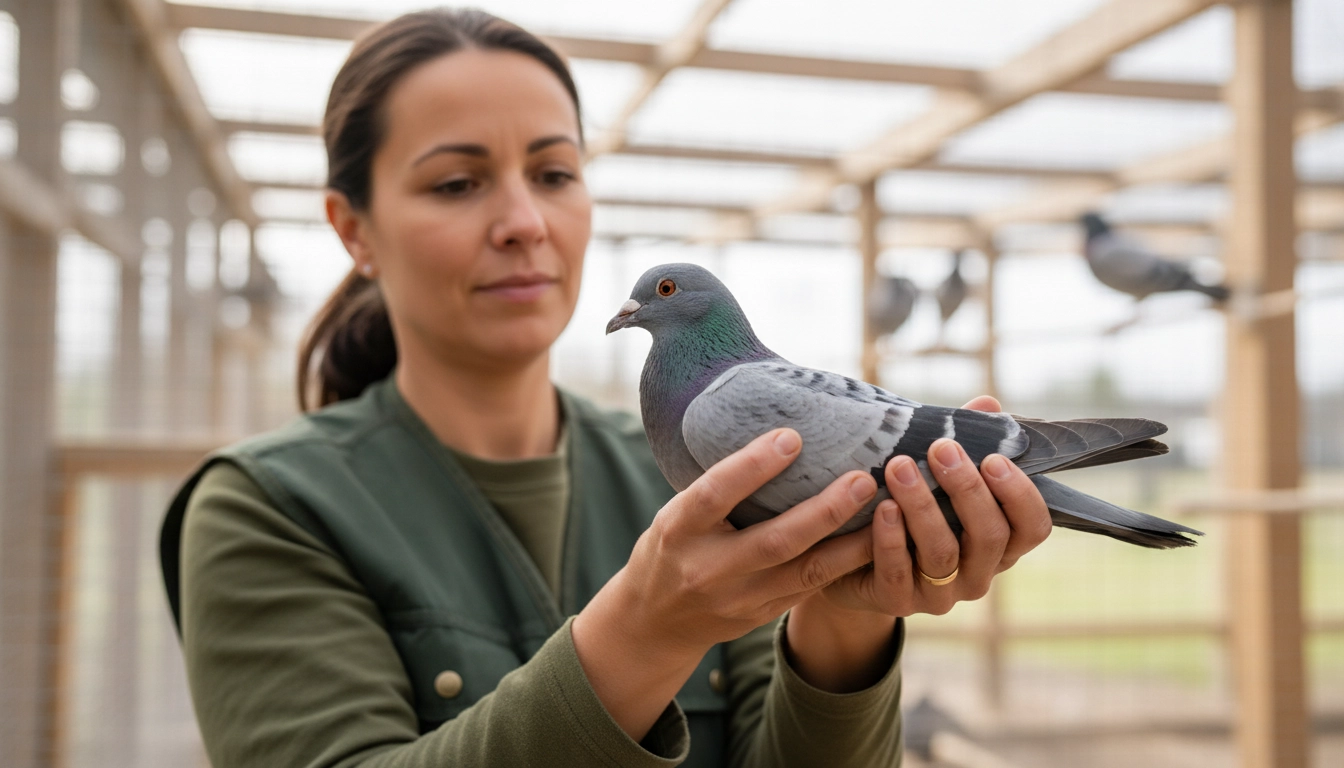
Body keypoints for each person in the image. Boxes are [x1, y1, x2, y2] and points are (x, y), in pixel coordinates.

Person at [158, 9, 1052, 768]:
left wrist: (846, 616)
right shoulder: (267, 508)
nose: (523, 222)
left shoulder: (700, 464)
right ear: (353, 228)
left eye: (553, 174)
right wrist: (645, 632)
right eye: (458, 182)